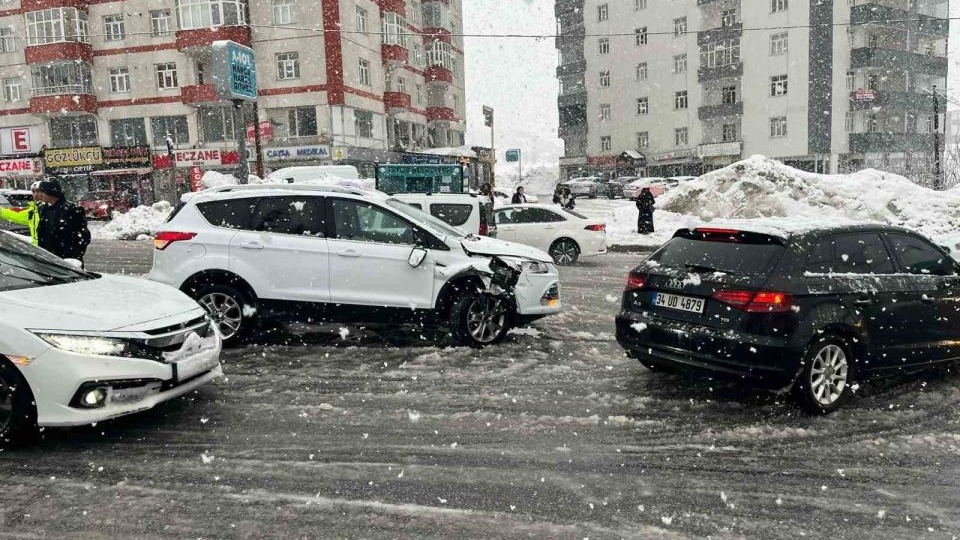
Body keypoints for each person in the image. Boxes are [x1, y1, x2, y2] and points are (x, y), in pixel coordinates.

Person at [35, 178, 91, 264]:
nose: (40, 195)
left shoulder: (72, 209)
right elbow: (43, 234)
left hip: (68, 261)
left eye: (42, 192)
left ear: (51, 192)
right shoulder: (44, 209)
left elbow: (83, 235)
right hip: (49, 259)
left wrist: (75, 256)